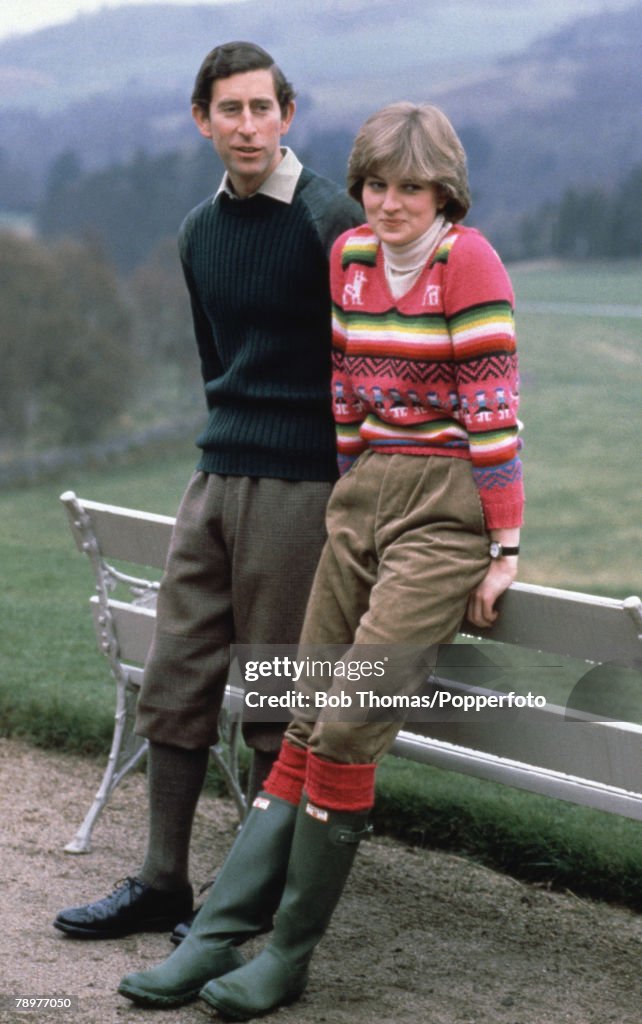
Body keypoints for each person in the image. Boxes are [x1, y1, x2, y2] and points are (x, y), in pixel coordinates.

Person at [116, 101, 524, 1016]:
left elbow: (493, 415)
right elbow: (344, 385)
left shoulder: (470, 262)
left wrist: (501, 546)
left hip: (445, 507)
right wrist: (351, 492)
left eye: (409, 188)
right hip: (363, 492)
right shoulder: (349, 259)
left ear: (443, 189)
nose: (387, 204)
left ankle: (286, 956)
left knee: (346, 722)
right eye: (376, 185)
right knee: (303, 713)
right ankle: (218, 938)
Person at [53, 40, 362, 942]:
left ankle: (248, 900)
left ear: (287, 115)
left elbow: (360, 364)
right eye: (229, 109)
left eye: (262, 107)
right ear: (203, 121)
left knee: (272, 693)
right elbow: (217, 363)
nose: (247, 125)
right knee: (177, 676)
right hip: (216, 474)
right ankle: (162, 883)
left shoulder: (329, 220)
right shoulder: (198, 232)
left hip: (303, 487)